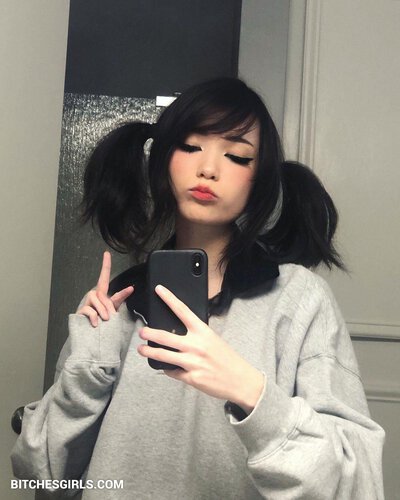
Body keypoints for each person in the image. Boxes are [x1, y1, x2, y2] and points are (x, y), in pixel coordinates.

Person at [11, 78, 385, 499]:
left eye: (237, 156)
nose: (209, 168)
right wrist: (87, 369)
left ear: (260, 179)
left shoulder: (299, 300)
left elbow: (357, 486)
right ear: (164, 159)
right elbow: (41, 478)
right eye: (190, 146)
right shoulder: (115, 306)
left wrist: (251, 392)